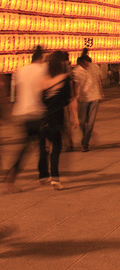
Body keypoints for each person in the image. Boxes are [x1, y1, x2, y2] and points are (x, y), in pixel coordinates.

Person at [5, 46, 46, 191]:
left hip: (21, 112)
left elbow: (17, 92)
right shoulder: (43, 70)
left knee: (27, 146)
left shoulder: (21, 70)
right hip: (36, 112)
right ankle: (44, 175)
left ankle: (13, 177)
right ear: (41, 58)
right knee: (40, 146)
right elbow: (44, 90)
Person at [39, 50, 75, 189]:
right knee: (56, 147)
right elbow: (69, 100)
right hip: (56, 118)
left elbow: (39, 99)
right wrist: (75, 117)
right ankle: (55, 178)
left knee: (44, 147)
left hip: (43, 118)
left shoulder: (43, 80)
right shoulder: (64, 79)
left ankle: (43, 175)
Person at [72, 51, 104, 151]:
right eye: (83, 64)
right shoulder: (77, 71)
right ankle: (85, 137)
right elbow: (76, 85)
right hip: (83, 98)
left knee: (91, 122)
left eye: (87, 63)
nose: (86, 65)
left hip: (94, 97)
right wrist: (75, 97)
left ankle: (85, 143)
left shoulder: (95, 67)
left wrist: (101, 93)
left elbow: (99, 80)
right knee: (82, 121)